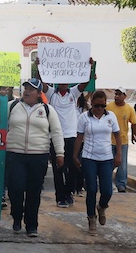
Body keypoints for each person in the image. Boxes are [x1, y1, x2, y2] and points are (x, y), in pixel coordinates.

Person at [6, 78, 64, 237]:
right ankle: (17, 216)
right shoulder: (12, 106)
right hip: (14, 155)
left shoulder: (47, 110)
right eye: (25, 88)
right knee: (15, 189)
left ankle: (31, 225)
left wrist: (60, 153)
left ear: (39, 94)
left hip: (38, 156)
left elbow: (57, 132)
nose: (27, 91)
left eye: (31, 89)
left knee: (34, 192)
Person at [41, 58, 93, 208]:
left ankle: (68, 192)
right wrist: (39, 66)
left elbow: (84, 82)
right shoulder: (51, 93)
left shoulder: (74, 93)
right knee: (58, 168)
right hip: (55, 137)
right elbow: (42, 83)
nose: (63, 84)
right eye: (60, 82)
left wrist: (89, 67)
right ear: (57, 83)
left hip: (71, 136)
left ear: (68, 83)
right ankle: (60, 197)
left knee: (73, 166)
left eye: (65, 82)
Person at [73, 91, 121, 236]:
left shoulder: (111, 116)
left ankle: (101, 207)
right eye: (96, 105)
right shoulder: (84, 117)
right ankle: (91, 219)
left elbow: (118, 136)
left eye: (102, 105)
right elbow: (79, 137)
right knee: (92, 190)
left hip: (106, 158)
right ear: (91, 104)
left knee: (107, 190)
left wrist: (119, 154)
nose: (99, 108)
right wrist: (75, 156)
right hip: (89, 158)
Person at [106, 87, 136, 192]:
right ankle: (106, 181)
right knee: (108, 163)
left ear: (124, 96)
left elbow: (134, 124)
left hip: (123, 141)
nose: (117, 96)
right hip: (109, 141)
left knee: (122, 164)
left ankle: (121, 184)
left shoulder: (129, 109)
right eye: (116, 94)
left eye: (119, 94)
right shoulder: (109, 107)